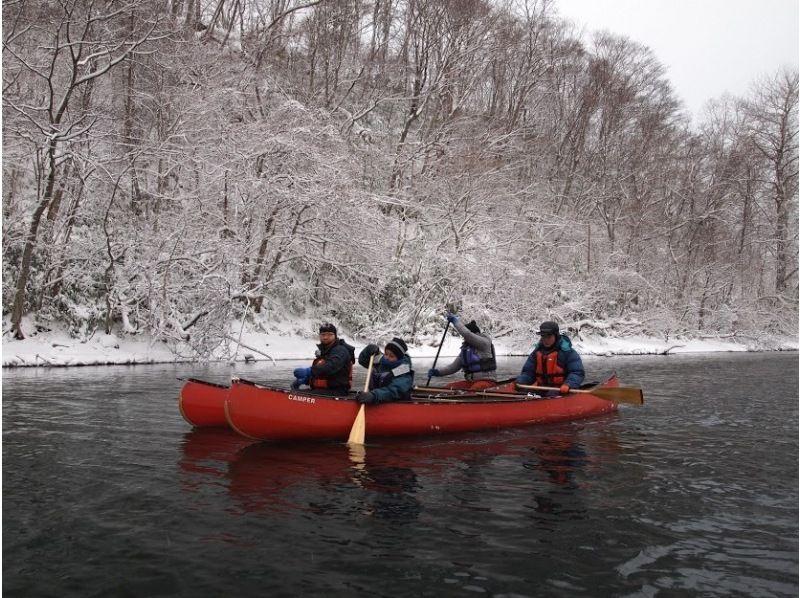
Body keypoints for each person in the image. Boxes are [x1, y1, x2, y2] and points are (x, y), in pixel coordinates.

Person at [427, 313, 497, 390]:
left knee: (474, 389)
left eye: (465, 338)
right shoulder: (466, 349)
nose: (464, 339)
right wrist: (437, 372)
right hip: (471, 381)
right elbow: (452, 368)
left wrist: (455, 321)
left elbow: (467, 334)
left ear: (475, 334)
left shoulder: (484, 343)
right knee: (448, 388)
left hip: (487, 381)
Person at [516, 321, 584, 396]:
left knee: (551, 394)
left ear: (556, 336)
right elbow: (528, 373)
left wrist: (568, 384)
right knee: (523, 392)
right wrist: (520, 381)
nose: (546, 340)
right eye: (543, 337)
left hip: (561, 389)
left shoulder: (568, 352)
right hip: (541, 388)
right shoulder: (536, 353)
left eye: (549, 337)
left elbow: (577, 373)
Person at [291, 323, 355, 395]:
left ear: (335, 336)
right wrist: (307, 379)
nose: (325, 337)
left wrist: (309, 371)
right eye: (323, 335)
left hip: (337, 392)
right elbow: (323, 374)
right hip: (323, 390)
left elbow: (331, 366)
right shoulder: (325, 351)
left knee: (296, 394)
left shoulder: (340, 350)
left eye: (329, 334)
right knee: (295, 392)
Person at [355, 337, 415, 404]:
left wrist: (374, 395)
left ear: (399, 358)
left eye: (391, 356)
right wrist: (368, 350)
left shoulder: (403, 371)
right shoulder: (380, 362)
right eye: (386, 354)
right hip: (374, 399)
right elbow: (362, 360)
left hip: (395, 405)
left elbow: (394, 391)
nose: (387, 358)